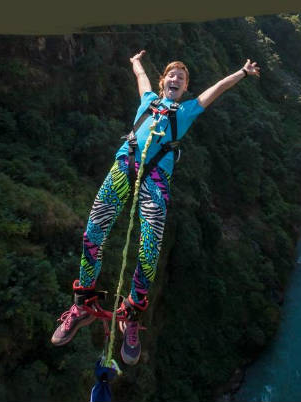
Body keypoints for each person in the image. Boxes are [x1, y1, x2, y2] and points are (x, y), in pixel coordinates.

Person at [51, 50, 260, 365]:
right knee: (93, 233)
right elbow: (141, 78)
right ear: (164, 81)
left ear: (185, 87)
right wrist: (135, 61)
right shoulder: (148, 98)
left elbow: (216, 89)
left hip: (156, 179)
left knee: (150, 248)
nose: (176, 79)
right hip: (124, 166)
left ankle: (132, 313)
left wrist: (242, 72)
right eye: (172, 75)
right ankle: (83, 305)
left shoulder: (187, 110)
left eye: (182, 77)